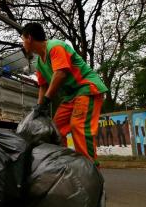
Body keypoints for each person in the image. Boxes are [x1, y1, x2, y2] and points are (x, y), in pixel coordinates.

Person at [21, 23, 108, 166]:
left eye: (22, 39)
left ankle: (92, 172)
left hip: (87, 88)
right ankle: (65, 167)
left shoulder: (55, 47)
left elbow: (60, 74)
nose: (22, 43)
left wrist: (46, 101)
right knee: (56, 129)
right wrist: (38, 107)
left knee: (78, 126)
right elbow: (43, 86)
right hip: (70, 96)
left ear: (29, 38)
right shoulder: (39, 63)